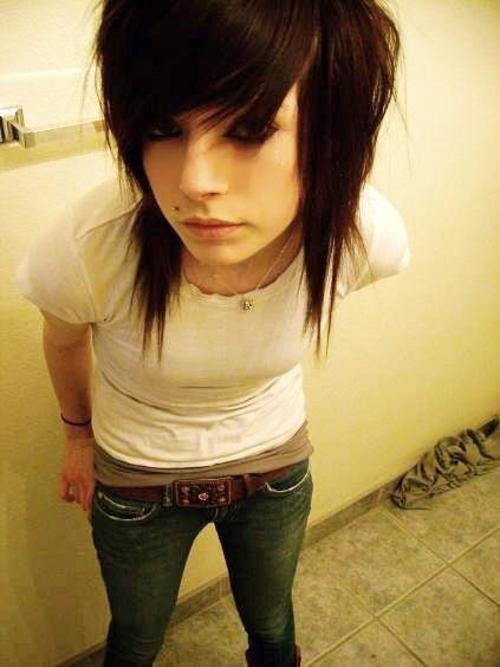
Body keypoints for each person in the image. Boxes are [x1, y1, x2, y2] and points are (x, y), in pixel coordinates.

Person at [16, 1, 410, 665]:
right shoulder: (91, 244)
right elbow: (62, 340)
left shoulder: (362, 238)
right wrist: (77, 437)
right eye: (164, 128)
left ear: (332, 130)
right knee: (135, 640)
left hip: (274, 468)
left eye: (249, 128)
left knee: (273, 628)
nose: (195, 182)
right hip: (138, 483)